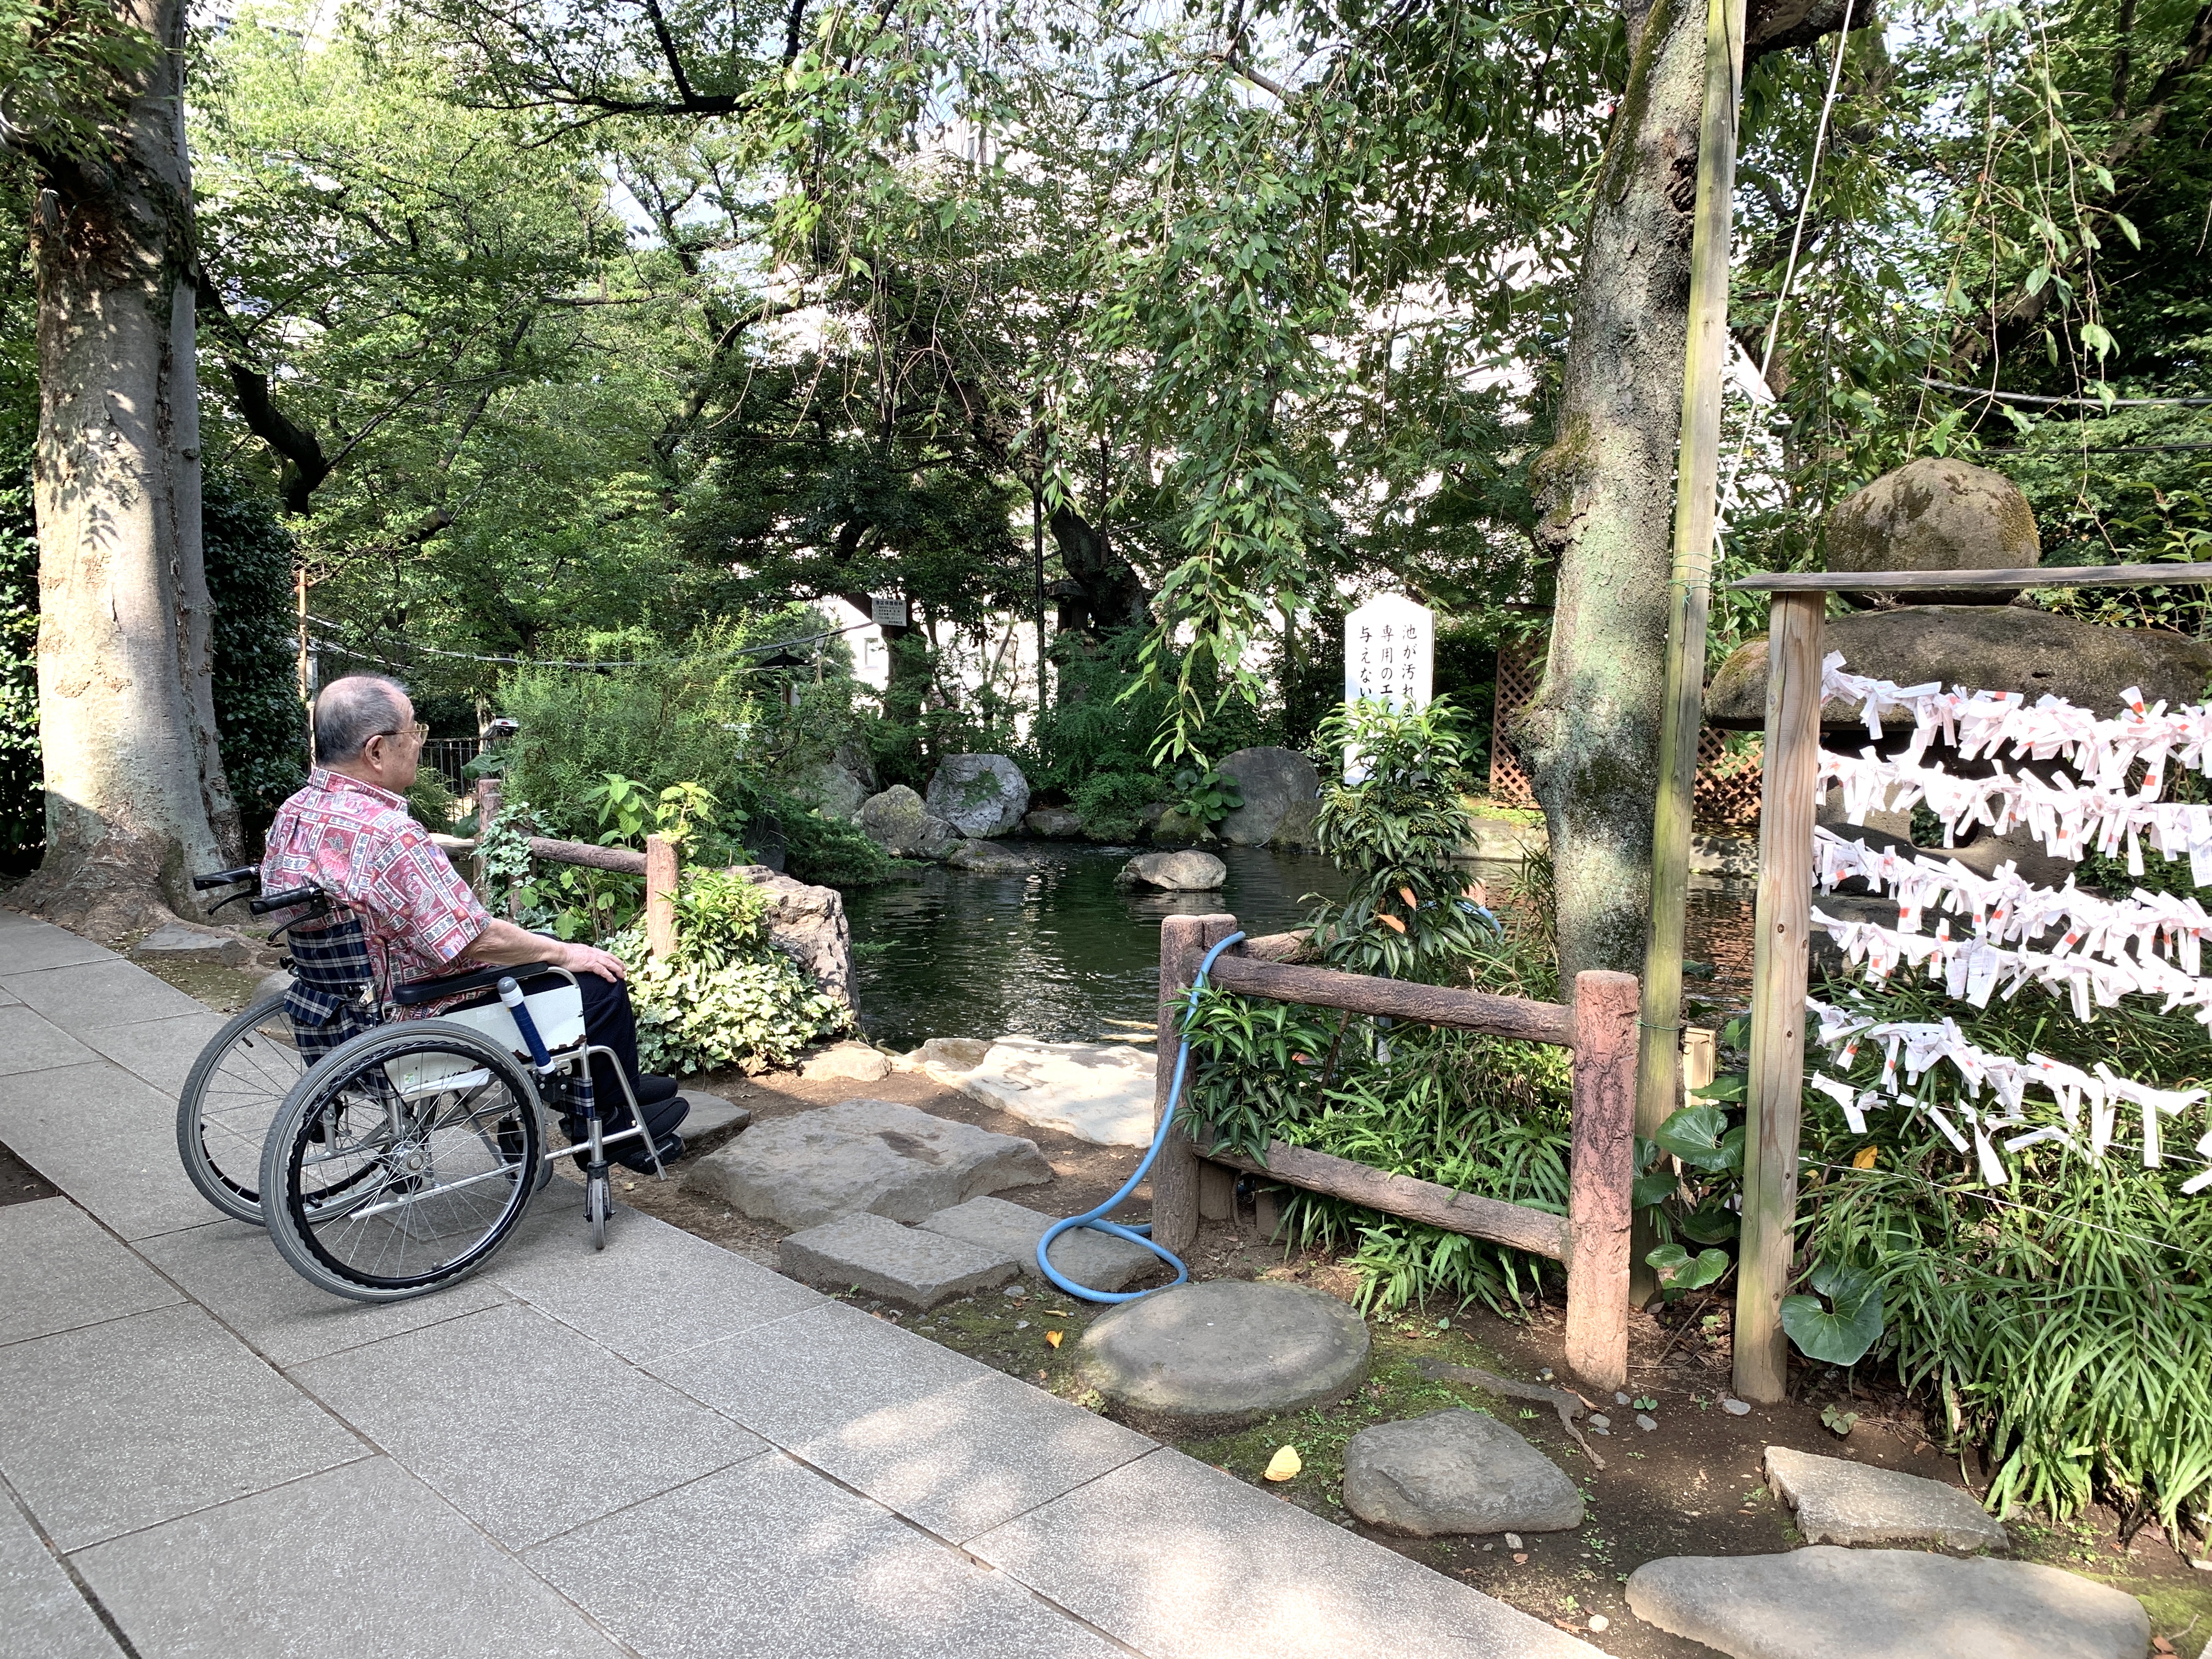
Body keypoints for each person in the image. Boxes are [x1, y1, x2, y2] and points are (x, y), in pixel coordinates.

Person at [261, 674, 687, 1171]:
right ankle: (611, 1126)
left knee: (543, 954)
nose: (418, 742)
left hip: (337, 1010)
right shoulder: (387, 833)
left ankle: (616, 1086)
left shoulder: (298, 810)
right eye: (413, 731)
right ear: (377, 751)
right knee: (593, 981)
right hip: (411, 1011)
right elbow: (472, 939)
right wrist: (565, 952)